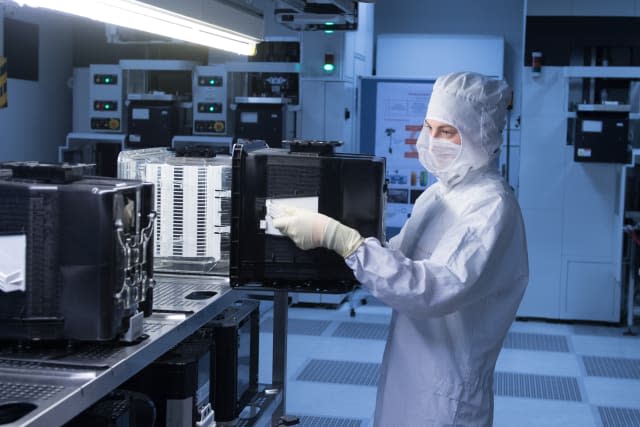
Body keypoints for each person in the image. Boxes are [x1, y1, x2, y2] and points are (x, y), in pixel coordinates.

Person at [272, 71, 529, 427]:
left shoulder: (490, 206)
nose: (433, 140)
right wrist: (331, 235)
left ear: (479, 134)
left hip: (447, 393)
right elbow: (397, 257)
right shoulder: (439, 194)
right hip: (408, 374)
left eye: (448, 131)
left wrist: (344, 242)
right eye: (430, 127)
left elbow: (432, 289)